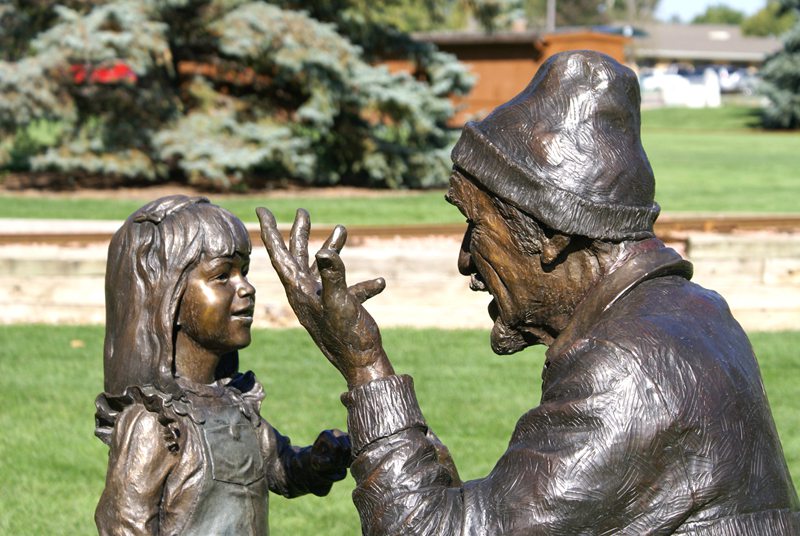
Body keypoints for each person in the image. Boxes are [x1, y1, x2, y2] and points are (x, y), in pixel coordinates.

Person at [258, 50, 799, 534]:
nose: (465, 260)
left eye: (475, 225)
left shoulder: (624, 366)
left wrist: (365, 366)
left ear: (551, 236)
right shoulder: (701, 313)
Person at [94, 195, 350, 535]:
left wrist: (317, 461)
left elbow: (279, 467)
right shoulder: (157, 423)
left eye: (243, 271)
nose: (246, 287)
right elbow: (124, 524)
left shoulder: (236, 404)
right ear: (168, 298)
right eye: (221, 276)